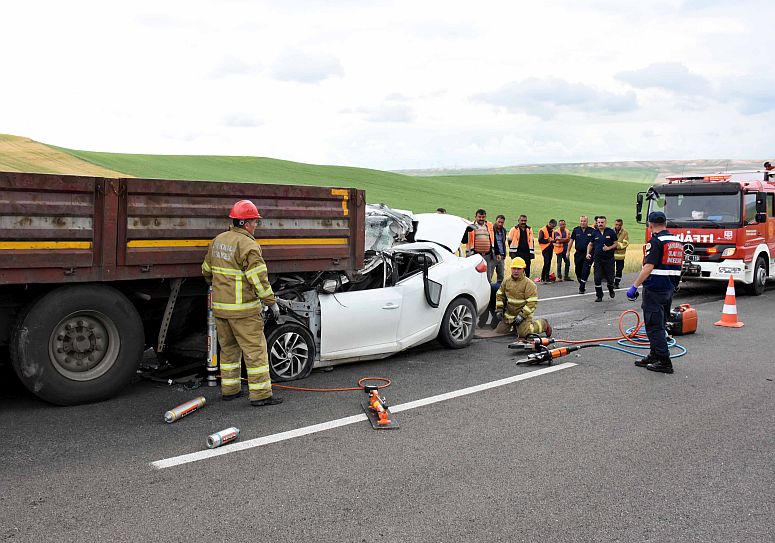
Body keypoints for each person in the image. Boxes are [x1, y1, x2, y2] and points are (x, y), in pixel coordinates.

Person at [202, 200, 283, 407]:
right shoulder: (248, 245)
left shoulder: (217, 241)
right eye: (255, 221)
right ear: (245, 223)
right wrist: (271, 302)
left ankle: (230, 391)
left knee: (228, 350)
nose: (256, 225)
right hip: (244, 311)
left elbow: (206, 271)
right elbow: (258, 279)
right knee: (255, 351)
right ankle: (261, 395)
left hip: (221, 309)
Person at [626, 211, 684, 374]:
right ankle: (654, 355)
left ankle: (664, 362)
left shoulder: (656, 241)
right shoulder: (676, 241)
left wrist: (634, 286)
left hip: (655, 289)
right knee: (659, 324)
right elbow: (679, 266)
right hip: (668, 289)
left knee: (653, 326)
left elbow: (649, 266)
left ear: (650, 225)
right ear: (665, 223)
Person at [494, 257, 552, 338]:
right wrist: (499, 309)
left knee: (524, 334)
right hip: (510, 314)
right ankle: (515, 327)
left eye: (519, 269)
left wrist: (522, 315)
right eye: (514, 268)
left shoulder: (529, 284)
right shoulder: (506, 281)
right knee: (500, 332)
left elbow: (532, 303)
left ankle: (544, 324)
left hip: (524, 315)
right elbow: (500, 295)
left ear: (523, 269)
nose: (516, 271)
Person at [586, 215, 618, 302]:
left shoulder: (610, 232)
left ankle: (611, 289)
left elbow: (616, 243)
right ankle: (599, 295)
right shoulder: (594, 233)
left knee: (610, 279)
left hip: (609, 259)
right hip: (598, 259)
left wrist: (609, 248)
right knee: (597, 278)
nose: (600, 224)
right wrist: (588, 253)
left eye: (602, 222)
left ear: (605, 223)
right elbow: (590, 244)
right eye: (599, 222)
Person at [467, 209, 496, 281]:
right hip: (475, 255)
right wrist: (467, 230)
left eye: (483, 217)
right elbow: (464, 240)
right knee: (475, 276)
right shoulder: (471, 226)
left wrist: (496, 253)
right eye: (479, 217)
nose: (481, 219)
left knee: (487, 277)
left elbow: (493, 239)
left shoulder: (489, 225)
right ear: (475, 217)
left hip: (488, 255)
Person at [568, 215, 594, 293]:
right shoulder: (576, 230)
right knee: (578, 270)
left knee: (585, 270)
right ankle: (581, 280)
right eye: (581, 221)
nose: (583, 223)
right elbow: (571, 241)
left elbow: (593, 243)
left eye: (584, 221)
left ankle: (582, 287)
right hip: (578, 254)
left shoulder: (592, 231)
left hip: (588, 254)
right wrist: (567, 251)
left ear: (587, 222)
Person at [613, 218, 629, 288]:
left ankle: (616, 283)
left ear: (621, 225)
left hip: (620, 256)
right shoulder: (611, 231)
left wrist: (616, 245)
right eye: (616, 224)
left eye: (619, 225)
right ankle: (611, 282)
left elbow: (625, 243)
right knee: (610, 269)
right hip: (611, 255)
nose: (617, 226)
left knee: (619, 270)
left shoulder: (625, 233)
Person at [492, 214, 508, 283]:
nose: (500, 224)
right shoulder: (491, 229)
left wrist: (504, 253)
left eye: (502, 222)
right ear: (496, 221)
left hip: (501, 255)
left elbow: (503, 242)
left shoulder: (504, 230)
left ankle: (499, 291)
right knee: (489, 275)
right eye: (499, 222)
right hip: (492, 255)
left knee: (501, 275)